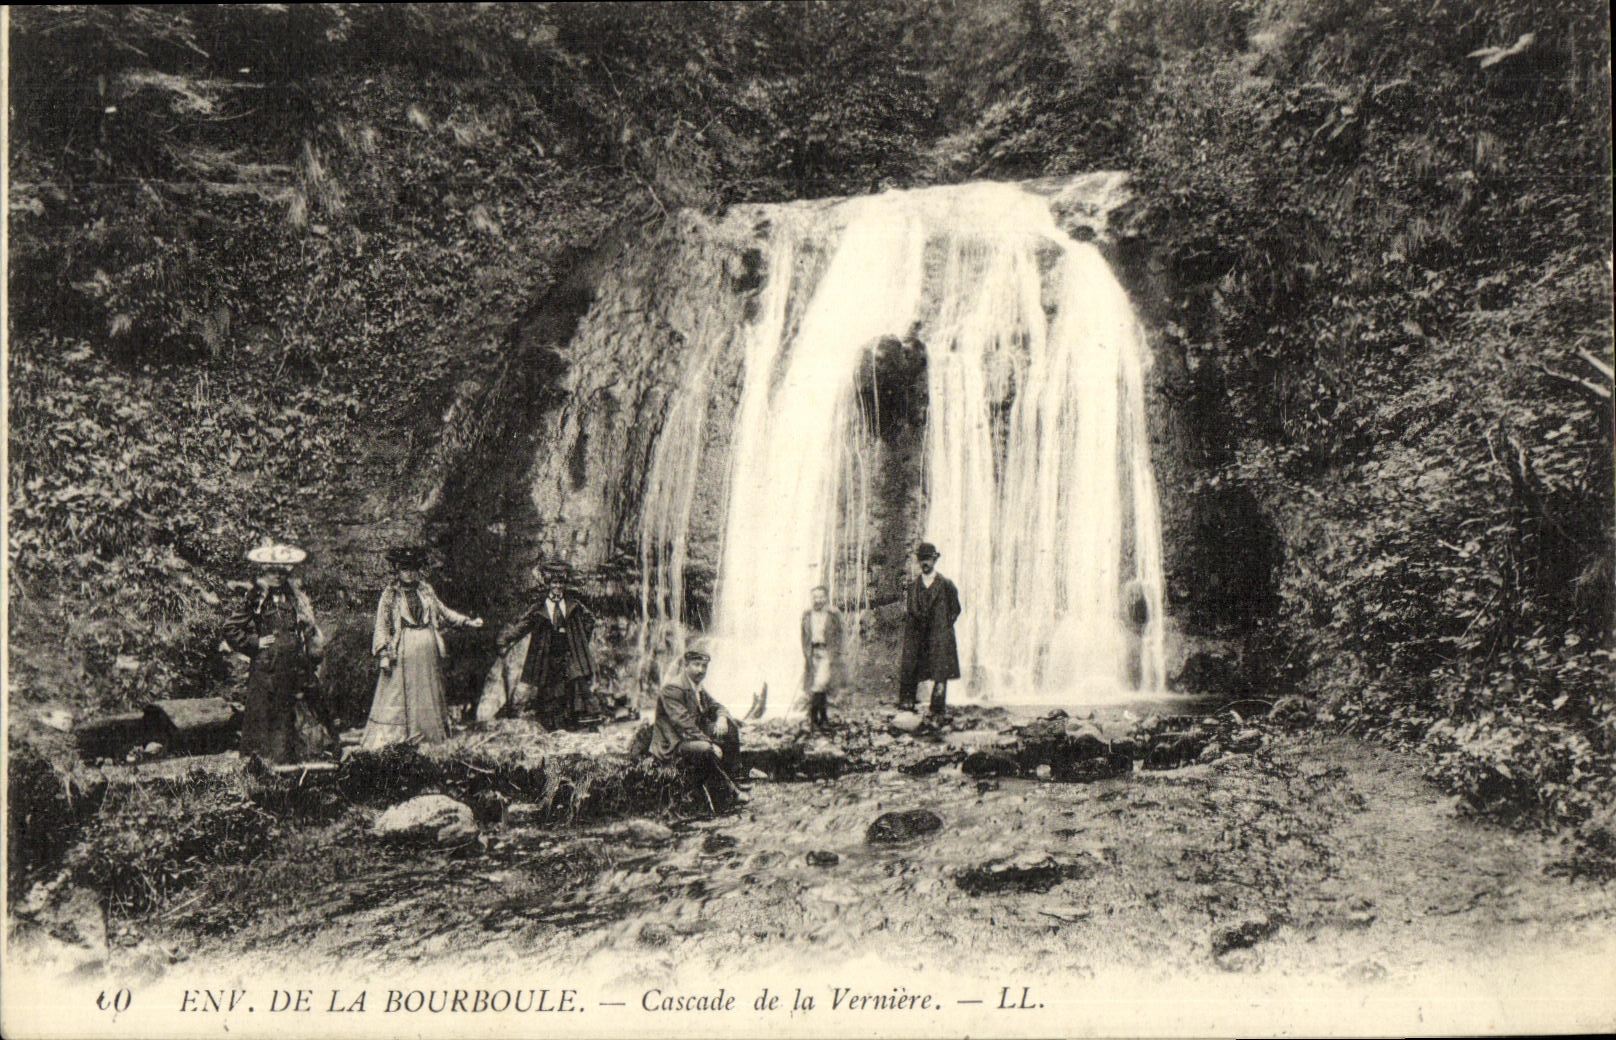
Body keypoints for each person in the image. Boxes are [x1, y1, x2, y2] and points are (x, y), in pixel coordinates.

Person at [361, 546, 483, 750]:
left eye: (413, 568)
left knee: (427, 692)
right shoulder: (390, 595)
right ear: (397, 570)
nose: (409, 573)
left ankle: (429, 737)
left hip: (428, 649)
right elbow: (382, 624)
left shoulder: (425, 590)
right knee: (399, 694)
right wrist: (383, 653)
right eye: (405, 569)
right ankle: (397, 739)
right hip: (404, 650)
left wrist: (467, 621)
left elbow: (443, 611)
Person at [224, 541, 333, 764]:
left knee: (290, 714)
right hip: (266, 667)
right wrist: (254, 643)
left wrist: (308, 643)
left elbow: (308, 629)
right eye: (272, 571)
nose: (277, 576)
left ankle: (289, 760)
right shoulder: (256, 598)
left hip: (292, 666)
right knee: (262, 714)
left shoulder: (295, 598)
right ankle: (258, 764)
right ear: (264, 571)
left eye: (281, 572)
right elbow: (230, 628)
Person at [496, 566, 603, 729]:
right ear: (549, 585)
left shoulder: (573, 605)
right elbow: (524, 626)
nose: (557, 586)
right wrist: (505, 639)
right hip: (547, 652)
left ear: (564, 585)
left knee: (575, 680)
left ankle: (580, 720)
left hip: (568, 651)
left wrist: (580, 639)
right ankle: (552, 723)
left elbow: (590, 620)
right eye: (554, 583)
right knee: (549, 687)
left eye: (560, 583)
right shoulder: (540, 607)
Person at [649, 649, 748, 808]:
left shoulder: (696, 686)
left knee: (730, 728)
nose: (701, 670)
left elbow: (717, 706)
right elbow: (683, 723)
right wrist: (710, 742)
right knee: (705, 748)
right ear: (686, 665)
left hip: (690, 735)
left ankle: (734, 778)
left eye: (704, 666)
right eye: (696, 665)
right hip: (672, 742)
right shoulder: (673, 688)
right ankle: (729, 792)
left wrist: (722, 718)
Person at [897, 542, 962, 719]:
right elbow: (911, 609)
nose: (925, 563)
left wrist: (943, 625)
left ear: (935, 560)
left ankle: (937, 708)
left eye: (928, 559)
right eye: (921, 559)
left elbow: (955, 609)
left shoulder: (946, 584)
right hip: (918, 635)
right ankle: (907, 705)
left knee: (940, 671)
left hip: (939, 635)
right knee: (911, 666)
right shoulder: (913, 586)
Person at [800, 585, 845, 730]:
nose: (818, 600)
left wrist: (836, 653)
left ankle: (813, 718)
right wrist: (806, 653)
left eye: (821, 597)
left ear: (826, 598)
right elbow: (804, 636)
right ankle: (823, 718)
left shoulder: (833, 614)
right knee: (820, 686)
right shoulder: (807, 615)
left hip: (827, 652)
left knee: (819, 684)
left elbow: (840, 634)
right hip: (813, 652)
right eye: (815, 597)